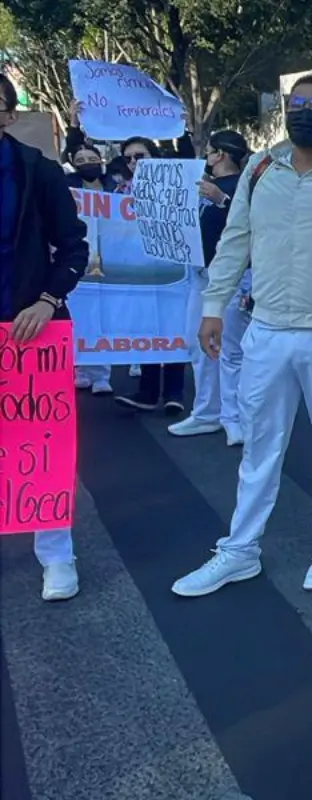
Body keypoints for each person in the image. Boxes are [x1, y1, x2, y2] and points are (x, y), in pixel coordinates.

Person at [172, 74, 312, 597]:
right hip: (267, 331)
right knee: (259, 451)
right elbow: (235, 241)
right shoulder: (260, 168)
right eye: (298, 104)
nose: (307, 112)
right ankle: (239, 551)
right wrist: (213, 307)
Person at [0, 73, 90, 601]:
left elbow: (73, 249)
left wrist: (47, 301)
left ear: (9, 115)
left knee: (40, 447)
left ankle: (56, 556)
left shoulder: (41, 173)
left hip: (32, 331)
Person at [167, 129, 252, 446]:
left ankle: (235, 417)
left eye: (211, 151)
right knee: (199, 344)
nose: (207, 157)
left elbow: (254, 222)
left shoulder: (244, 186)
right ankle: (207, 413)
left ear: (220, 154)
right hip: (200, 274)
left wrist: (222, 200)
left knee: (231, 350)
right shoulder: (202, 186)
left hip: (232, 277)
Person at [113, 135, 187, 414]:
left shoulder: (175, 187)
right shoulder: (120, 193)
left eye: (139, 156)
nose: (133, 162)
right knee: (145, 329)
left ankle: (174, 392)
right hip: (138, 272)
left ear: (154, 157)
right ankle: (147, 391)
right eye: (128, 157)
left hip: (173, 271)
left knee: (173, 329)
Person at [65, 140, 117, 395]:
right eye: (80, 160)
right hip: (78, 259)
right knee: (80, 314)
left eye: (91, 159)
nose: (87, 164)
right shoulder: (66, 188)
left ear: (101, 161)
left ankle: (102, 374)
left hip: (111, 259)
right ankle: (81, 369)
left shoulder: (115, 189)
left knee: (104, 317)